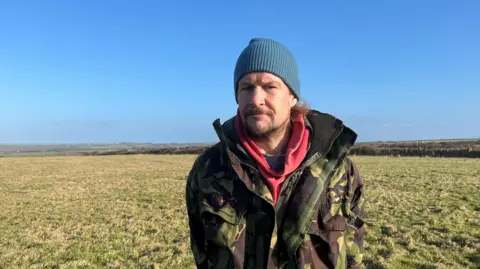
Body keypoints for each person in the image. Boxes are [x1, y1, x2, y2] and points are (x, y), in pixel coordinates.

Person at [185, 37, 366, 269]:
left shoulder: (339, 170)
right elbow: (202, 254)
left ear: (292, 97)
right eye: (246, 87)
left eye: (270, 87)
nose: (256, 99)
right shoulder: (208, 170)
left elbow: (354, 256)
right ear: (237, 96)